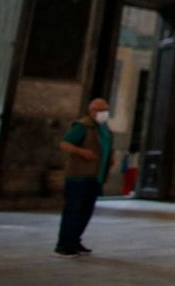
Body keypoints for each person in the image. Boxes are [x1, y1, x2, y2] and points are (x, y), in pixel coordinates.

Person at [55, 97, 112, 258]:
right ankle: (64, 244)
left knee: (85, 211)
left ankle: (75, 240)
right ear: (92, 111)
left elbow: (106, 146)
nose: (104, 113)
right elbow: (65, 144)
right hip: (79, 176)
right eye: (101, 110)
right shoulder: (83, 126)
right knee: (73, 210)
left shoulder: (103, 128)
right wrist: (83, 153)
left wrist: (110, 158)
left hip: (95, 176)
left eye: (106, 110)